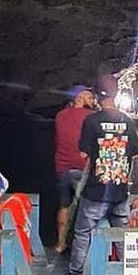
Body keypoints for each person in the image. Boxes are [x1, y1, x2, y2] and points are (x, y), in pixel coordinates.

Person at [57, 82, 138, 275]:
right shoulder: (127, 121)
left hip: (96, 189)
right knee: (121, 236)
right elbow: (137, 153)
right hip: (120, 190)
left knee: (83, 233)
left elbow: (84, 153)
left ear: (99, 99)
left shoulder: (91, 120)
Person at [53, 86, 96, 252]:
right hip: (83, 166)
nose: (91, 98)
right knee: (87, 207)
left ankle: (60, 243)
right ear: (79, 96)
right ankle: (84, 247)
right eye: (88, 95)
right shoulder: (91, 117)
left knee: (64, 205)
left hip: (62, 166)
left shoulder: (60, 116)